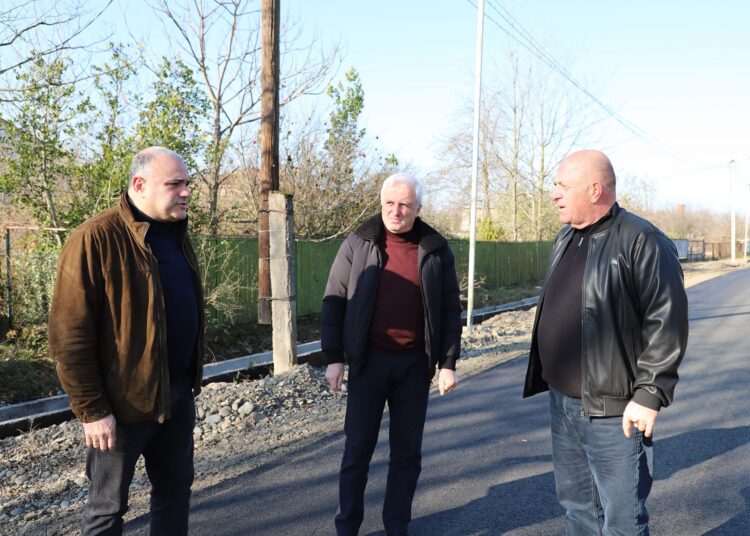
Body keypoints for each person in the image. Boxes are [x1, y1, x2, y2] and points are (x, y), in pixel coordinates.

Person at [523, 150, 689, 535]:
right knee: (579, 510)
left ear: (595, 190)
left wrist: (650, 393)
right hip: (563, 403)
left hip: (614, 411)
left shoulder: (642, 240)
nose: (554, 194)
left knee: (622, 520)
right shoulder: (566, 236)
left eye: (563, 186)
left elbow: (667, 321)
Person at [48, 147, 204, 535]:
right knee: (107, 510)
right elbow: (69, 336)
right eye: (175, 184)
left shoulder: (176, 235)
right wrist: (92, 410)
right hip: (120, 408)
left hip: (176, 396)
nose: (186, 192)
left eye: (187, 184)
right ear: (140, 184)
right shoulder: (95, 238)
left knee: (174, 496)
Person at [322, 172, 462, 536]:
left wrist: (448, 363)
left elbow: (450, 309)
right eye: (389, 203)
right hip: (368, 364)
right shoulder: (359, 242)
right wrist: (334, 358)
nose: (395, 211)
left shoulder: (435, 248)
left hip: (414, 367)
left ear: (418, 208)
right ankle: (347, 527)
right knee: (357, 452)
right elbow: (334, 300)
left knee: (407, 455)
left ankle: (397, 526)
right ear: (380, 203)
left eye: (404, 205)